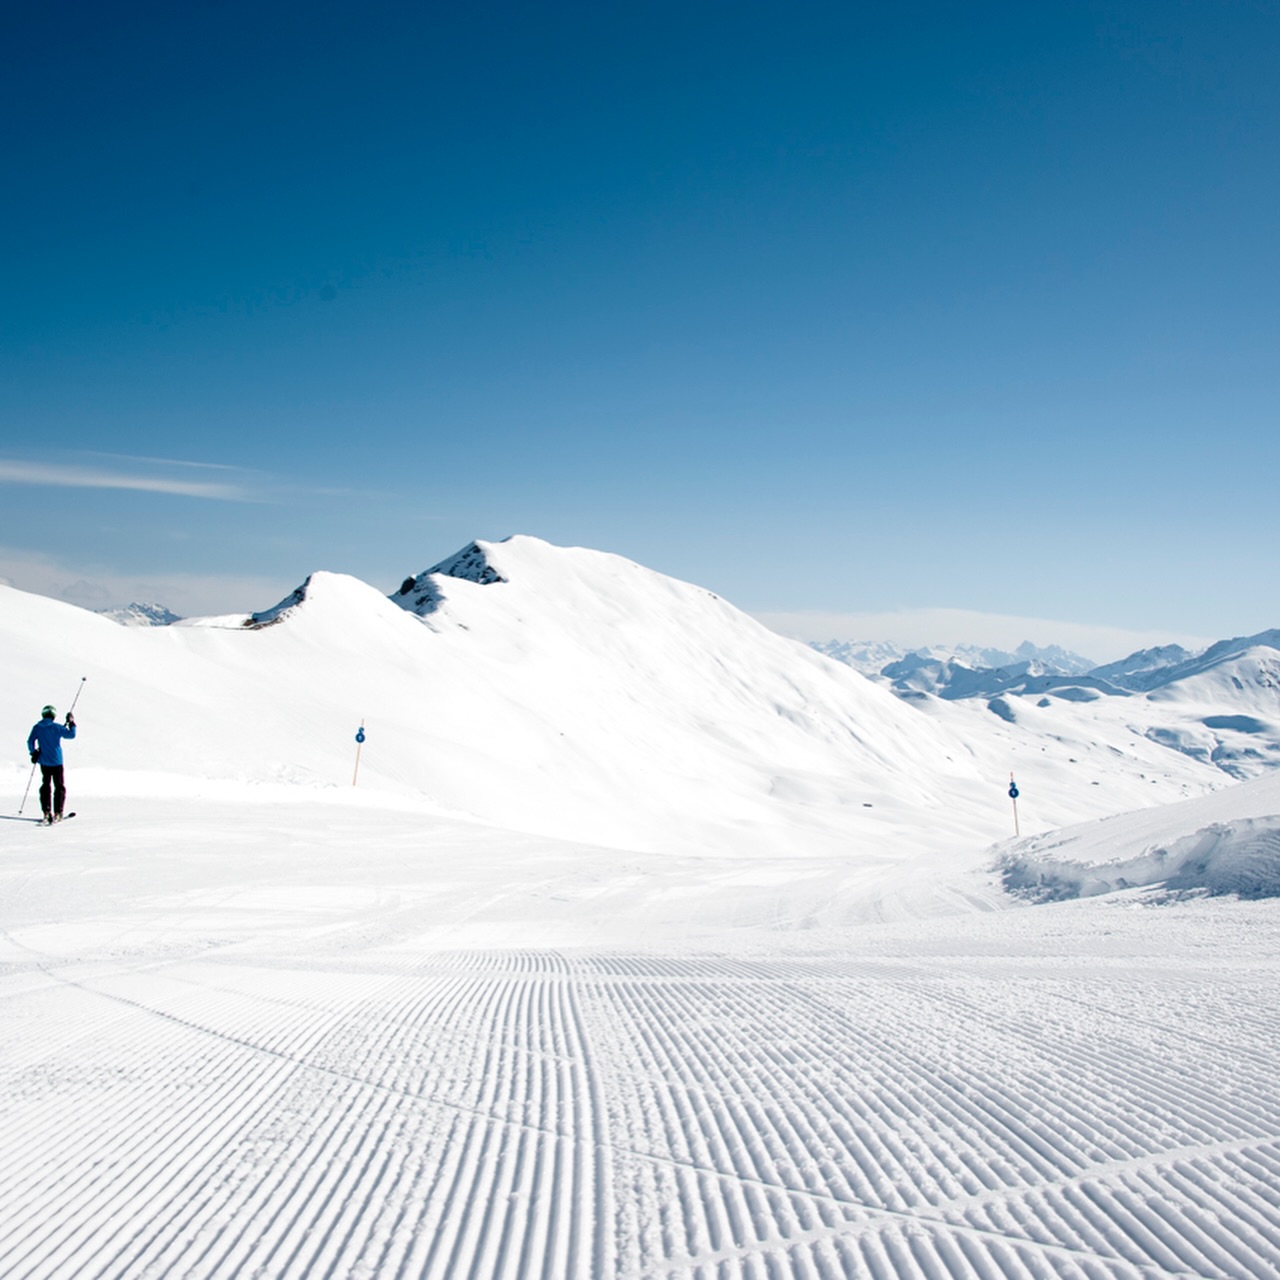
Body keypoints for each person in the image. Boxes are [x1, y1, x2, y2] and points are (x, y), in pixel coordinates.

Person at [27, 704, 76, 824]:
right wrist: (72, 723)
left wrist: (33, 753)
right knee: (59, 786)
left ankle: (46, 811)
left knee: (45, 786)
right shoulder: (56, 727)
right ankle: (58, 812)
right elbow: (71, 735)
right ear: (53, 716)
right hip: (57, 761)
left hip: (44, 761)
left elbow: (30, 741)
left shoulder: (37, 727)